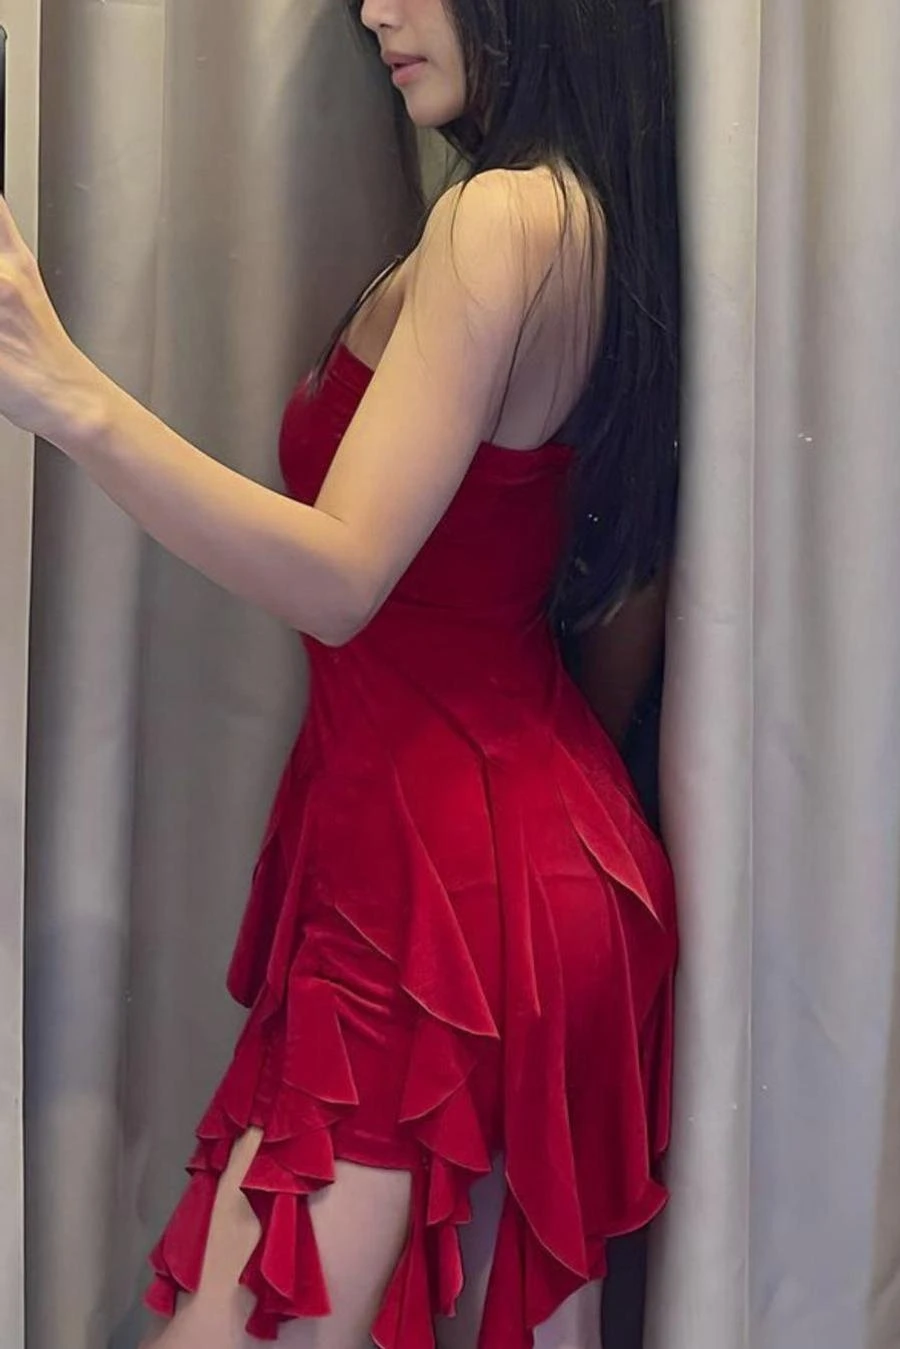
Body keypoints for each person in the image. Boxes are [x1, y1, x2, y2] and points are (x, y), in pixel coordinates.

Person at [0, 0, 679, 1344]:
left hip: (440, 889)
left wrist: (68, 395)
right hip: (457, 855)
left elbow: (341, 576)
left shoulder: (506, 219)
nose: (373, 10)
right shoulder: (575, 217)